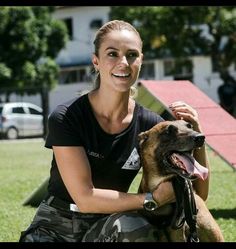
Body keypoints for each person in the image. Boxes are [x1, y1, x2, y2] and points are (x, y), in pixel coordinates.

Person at [19, 20, 210, 242]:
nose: (123, 63)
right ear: (96, 61)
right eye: (112, 54)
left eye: (131, 55)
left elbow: (198, 195)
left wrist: (197, 135)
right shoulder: (67, 116)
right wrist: (150, 199)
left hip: (108, 223)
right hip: (56, 223)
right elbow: (85, 198)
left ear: (141, 61)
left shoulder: (152, 127)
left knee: (136, 226)